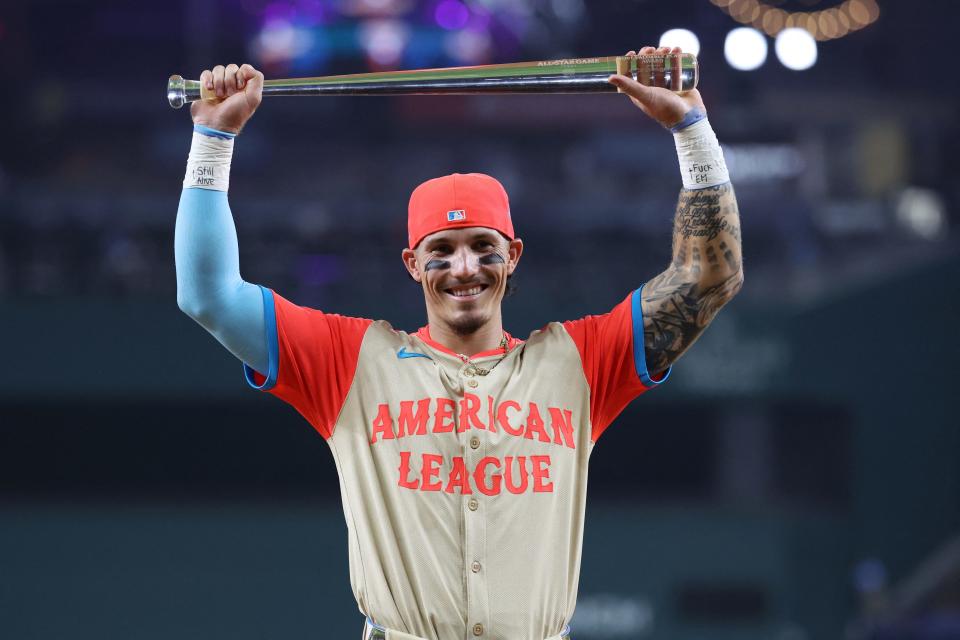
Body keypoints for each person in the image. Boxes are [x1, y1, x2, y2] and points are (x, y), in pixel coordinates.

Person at [175, 45, 742, 640]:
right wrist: (213, 141)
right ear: (411, 265)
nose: (464, 266)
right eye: (440, 251)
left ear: (513, 256)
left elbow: (709, 279)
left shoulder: (579, 361)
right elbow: (207, 296)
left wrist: (690, 129)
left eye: (482, 245)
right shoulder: (350, 361)